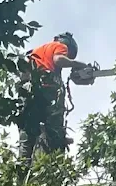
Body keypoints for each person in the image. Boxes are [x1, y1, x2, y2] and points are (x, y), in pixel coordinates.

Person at [17, 32, 95, 160]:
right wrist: (79, 64)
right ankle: (56, 137)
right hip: (47, 92)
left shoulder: (37, 51)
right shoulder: (59, 46)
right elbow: (58, 60)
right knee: (55, 124)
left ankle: (22, 165)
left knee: (27, 131)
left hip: (29, 93)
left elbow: (24, 74)